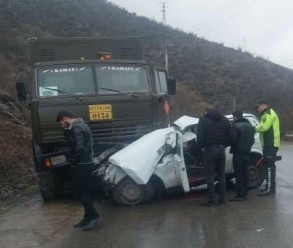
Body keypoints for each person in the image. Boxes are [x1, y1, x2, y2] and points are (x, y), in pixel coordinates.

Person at [56, 110, 100, 231]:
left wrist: (74, 161)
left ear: (64, 119)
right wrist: (67, 130)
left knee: (79, 193)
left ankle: (94, 217)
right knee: (85, 192)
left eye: (61, 123)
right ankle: (87, 218)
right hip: (87, 163)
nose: (61, 125)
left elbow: (78, 147)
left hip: (82, 164)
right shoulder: (82, 125)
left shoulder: (76, 128)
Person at [197, 107, 233, 207]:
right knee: (222, 176)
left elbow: (199, 136)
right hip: (221, 150)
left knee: (210, 176)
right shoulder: (225, 120)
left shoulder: (203, 120)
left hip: (209, 150)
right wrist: (224, 145)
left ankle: (211, 201)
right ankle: (221, 200)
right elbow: (231, 135)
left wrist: (202, 147)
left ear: (207, 112)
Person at [255, 101, 280, 196]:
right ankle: (268, 187)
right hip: (268, 144)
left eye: (258, 107)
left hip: (270, 144)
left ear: (264, 105)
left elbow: (264, 127)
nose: (257, 109)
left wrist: (253, 128)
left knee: (269, 167)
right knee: (267, 166)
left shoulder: (268, 114)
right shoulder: (266, 113)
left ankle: (270, 189)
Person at [229, 110, 255, 201]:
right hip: (247, 152)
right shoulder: (250, 126)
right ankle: (245, 193)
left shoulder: (235, 126)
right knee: (245, 172)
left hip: (238, 153)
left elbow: (232, 139)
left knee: (238, 174)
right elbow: (252, 140)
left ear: (235, 117)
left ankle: (239, 194)